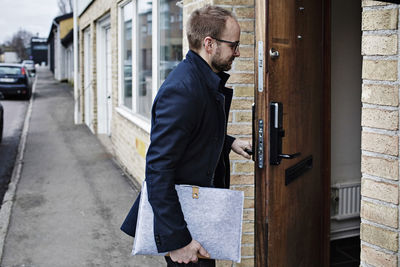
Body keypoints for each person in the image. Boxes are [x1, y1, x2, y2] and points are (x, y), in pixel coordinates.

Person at [121, 5, 252, 266]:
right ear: (209, 43)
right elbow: (158, 169)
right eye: (234, 45)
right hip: (184, 225)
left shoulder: (201, 79)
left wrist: (230, 142)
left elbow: (192, 133)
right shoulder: (183, 89)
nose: (237, 52)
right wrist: (178, 241)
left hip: (195, 216)